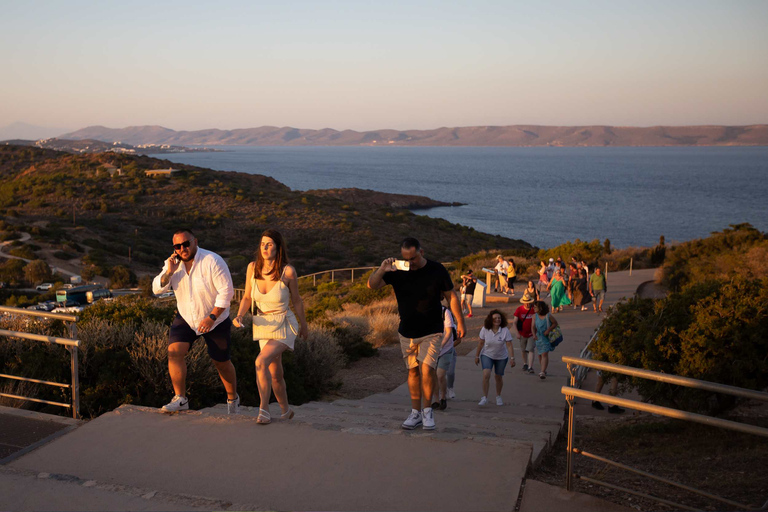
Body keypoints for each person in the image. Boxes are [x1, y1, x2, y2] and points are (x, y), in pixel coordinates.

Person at [368, 237, 465, 430]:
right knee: (412, 371)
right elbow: (372, 285)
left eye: (413, 258)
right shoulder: (397, 270)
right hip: (407, 331)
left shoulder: (437, 269)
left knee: (427, 369)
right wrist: (382, 269)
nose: (410, 263)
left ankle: (428, 411)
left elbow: (451, 295)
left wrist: (459, 321)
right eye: (406, 258)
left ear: (421, 252)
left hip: (432, 329)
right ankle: (415, 413)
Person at [152, 229, 239, 413]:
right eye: (178, 246)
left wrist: (212, 317)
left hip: (215, 319)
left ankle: (233, 400)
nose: (182, 248)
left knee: (221, 362)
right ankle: (181, 399)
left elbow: (226, 292)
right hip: (186, 317)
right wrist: (169, 272)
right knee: (174, 352)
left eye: (186, 244)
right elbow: (156, 289)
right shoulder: (173, 265)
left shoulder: (212, 260)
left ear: (195, 241)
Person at [233, 229, 308, 425]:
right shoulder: (252, 268)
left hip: (284, 324)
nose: (265, 248)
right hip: (263, 324)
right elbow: (247, 297)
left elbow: (297, 301)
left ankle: (263, 410)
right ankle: (286, 410)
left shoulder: (287, 271)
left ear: (278, 247)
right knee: (276, 373)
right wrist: (240, 315)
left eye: (270, 244)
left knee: (260, 362)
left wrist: (304, 325)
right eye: (262, 244)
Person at [475, 310, 515, 405]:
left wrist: (512, 358)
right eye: (495, 318)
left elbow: (509, 345)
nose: (497, 320)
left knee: (498, 377)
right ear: (490, 320)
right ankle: (484, 397)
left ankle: (498, 396)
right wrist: (477, 356)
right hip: (487, 355)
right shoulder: (485, 329)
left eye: (499, 318)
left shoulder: (504, 330)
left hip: (501, 356)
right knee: (486, 374)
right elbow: (481, 343)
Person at [431, 298, 461, 410]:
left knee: (440, 374)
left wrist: (440, 346)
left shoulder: (445, 312)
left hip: (445, 349)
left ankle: (443, 397)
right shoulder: (426, 312)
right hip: (431, 349)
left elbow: (448, 332)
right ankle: (436, 400)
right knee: (433, 375)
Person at [531, 300, 558, 379]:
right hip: (538, 337)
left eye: (535, 307)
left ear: (540, 308)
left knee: (544, 354)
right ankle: (543, 369)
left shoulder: (548, 316)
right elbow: (532, 327)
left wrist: (548, 330)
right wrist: (533, 335)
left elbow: (555, 323)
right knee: (540, 354)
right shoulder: (534, 316)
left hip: (546, 337)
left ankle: (542, 371)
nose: (534, 309)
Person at [513, 292, 537, 374]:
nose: (527, 304)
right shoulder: (519, 309)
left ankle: (530, 366)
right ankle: (525, 363)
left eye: (528, 302)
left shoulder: (534, 310)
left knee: (531, 349)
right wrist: (517, 333)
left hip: (532, 333)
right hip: (522, 333)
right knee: (523, 350)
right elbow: (514, 322)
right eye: (525, 302)